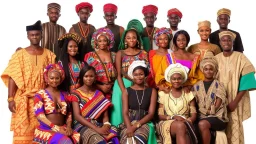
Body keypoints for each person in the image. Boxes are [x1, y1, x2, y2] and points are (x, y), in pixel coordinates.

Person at [1, 20, 56, 144]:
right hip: (23, 100)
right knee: (23, 134)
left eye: (37, 34)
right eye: (32, 35)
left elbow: (54, 80)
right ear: (28, 36)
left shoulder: (49, 55)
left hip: (42, 100)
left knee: (43, 134)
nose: (35, 37)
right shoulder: (19, 55)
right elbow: (12, 77)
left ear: (41, 35)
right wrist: (10, 99)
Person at [215, 31, 256, 144]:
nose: (226, 42)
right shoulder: (216, 59)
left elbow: (248, 81)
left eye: (229, 40)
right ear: (220, 42)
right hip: (219, 102)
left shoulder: (241, 58)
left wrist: (235, 102)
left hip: (235, 100)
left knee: (235, 127)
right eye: (224, 40)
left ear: (233, 42)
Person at [111, 19, 148, 127]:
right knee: (119, 111)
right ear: (125, 40)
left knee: (135, 112)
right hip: (122, 84)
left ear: (137, 39)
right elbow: (118, 74)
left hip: (139, 84)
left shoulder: (143, 53)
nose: (131, 40)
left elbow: (146, 73)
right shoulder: (120, 53)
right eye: (128, 38)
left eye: (134, 37)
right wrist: (124, 91)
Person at [69, 64, 119, 144]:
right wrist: (97, 129)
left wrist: (106, 125)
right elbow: (77, 117)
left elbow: (105, 116)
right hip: (82, 125)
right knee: (98, 140)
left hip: (98, 124)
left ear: (95, 78)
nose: (89, 79)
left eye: (91, 76)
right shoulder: (76, 94)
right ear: (82, 77)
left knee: (114, 134)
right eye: (86, 76)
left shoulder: (99, 93)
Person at [33, 63, 79, 144]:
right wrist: (56, 128)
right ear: (47, 78)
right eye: (52, 78)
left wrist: (68, 127)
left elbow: (69, 114)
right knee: (66, 142)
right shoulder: (40, 94)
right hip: (46, 129)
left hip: (63, 127)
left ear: (60, 79)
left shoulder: (65, 94)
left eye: (57, 78)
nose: (54, 80)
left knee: (77, 138)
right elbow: (40, 116)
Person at [157, 63, 197, 144]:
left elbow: (194, 115)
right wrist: (173, 117)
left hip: (185, 122)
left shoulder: (189, 94)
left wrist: (187, 121)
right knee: (180, 126)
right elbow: (160, 115)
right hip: (167, 122)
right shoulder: (163, 94)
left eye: (179, 79)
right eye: (174, 79)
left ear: (183, 80)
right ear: (170, 80)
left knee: (184, 129)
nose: (176, 81)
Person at [120, 60, 157, 144]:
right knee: (127, 140)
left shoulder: (152, 91)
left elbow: (151, 114)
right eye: (136, 75)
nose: (139, 77)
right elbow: (125, 113)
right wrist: (129, 127)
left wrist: (135, 127)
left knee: (138, 139)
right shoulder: (126, 91)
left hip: (145, 123)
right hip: (128, 123)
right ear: (132, 76)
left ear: (145, 76)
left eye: (141, 74)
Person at [193, 57, 229, 144]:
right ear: (202, 70)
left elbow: (215, 108)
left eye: (211, 69)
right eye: (206, 69)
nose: (208, 71)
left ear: (214, 71)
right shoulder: (196, 86)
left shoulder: (219, 85)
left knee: (202, 124)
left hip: (218, 117)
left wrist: (204, 111)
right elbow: (193, 104)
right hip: (200, 117)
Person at [84, 27, 117, 100]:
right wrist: (100, 86)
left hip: (113, 88)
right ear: (96, 42)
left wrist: (111, 85)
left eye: (104, 40)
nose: (102, 43)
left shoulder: (114, 55)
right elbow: (86, 75)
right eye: (100, 41)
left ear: (108, 42)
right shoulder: (90, 56)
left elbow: (118, 73)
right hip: (95, 88)